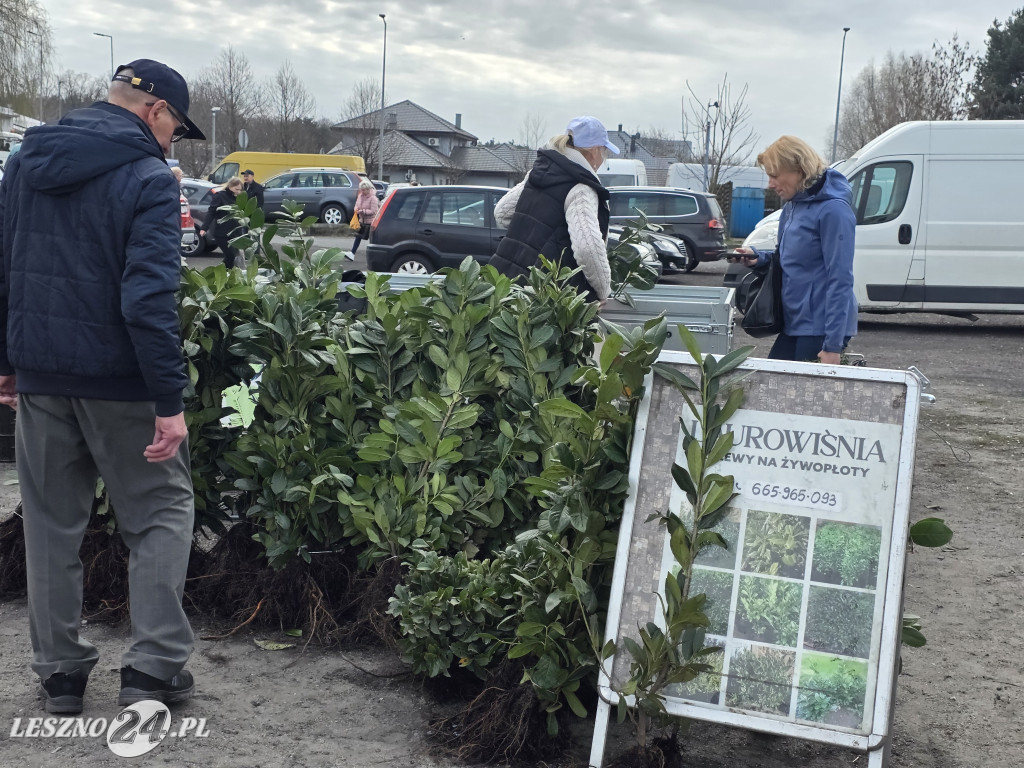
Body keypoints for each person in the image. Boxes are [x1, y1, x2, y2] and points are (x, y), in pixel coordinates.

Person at [0, 58, 202, 714]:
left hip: (41, 379)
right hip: (122, 384)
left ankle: (60, 676)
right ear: (155, 112)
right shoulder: (148, 176)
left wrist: (8, 360)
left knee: (52, 527)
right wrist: (169, 404)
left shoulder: (25, 164)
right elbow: (149, 300)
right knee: (162, 513)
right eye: (176, 127)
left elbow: (5, 265)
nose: (174, 141)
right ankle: (153, 669)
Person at [733, 135, 857, 364]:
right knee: (774, 386)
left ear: (799, 169)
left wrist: (832, 345)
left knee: (799, 396)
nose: (770, 184)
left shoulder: (834, 211)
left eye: (774, 175)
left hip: (820, 327)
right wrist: (757, 259)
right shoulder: (793, 206)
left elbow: (840, 279)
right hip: (795, 321)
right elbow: (788, 258)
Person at [490, 115, 619, 303]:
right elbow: (588, 248)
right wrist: (603, 292)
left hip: (506, 286)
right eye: (604, 152)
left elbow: (501, 213)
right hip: (545, 299)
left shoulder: (539, 172)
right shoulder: (582, 187)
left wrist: (542, 235)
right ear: (594, 151)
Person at [201, 176, 245, 268]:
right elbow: (211, 212)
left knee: (233, 257)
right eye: (236, 189)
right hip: (222, 233)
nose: (238, 192)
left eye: (240, 190)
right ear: (230, 186)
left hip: (235, 232)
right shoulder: (220, 196)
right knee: (230, 256)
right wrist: (204, 227)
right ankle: (220, 274)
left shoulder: (240, 198)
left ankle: (224, 274)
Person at [347, 179, 379, 259]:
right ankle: (352, 253)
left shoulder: (373, 198)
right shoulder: (360, 196)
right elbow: (357, 205)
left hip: (370, 222)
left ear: (368, 189)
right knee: (358, 237)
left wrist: (362, 211)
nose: (362, 191)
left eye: (364, 190)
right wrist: (356, 209)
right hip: (362, 220)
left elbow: (374, 211)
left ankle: (375, 256)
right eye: (361, 190)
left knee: (372, 240)